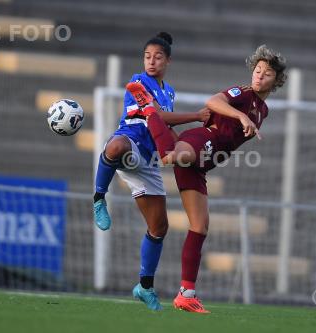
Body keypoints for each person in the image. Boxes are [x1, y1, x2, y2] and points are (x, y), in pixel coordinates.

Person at [126, 45, 287, 313]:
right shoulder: (243, 93)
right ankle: (149, 110)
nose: (259, 76)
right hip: (204, 141)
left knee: (199, 226)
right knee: (170, 156)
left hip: (204, 165)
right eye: (257, 70)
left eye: (267, 73)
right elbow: (213, 102)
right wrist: (240, 115)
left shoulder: (263, 110)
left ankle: (186, 294)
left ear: (276, 81)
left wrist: (245, 120)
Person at [92, 32, 210, 310]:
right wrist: (197, 115)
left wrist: (187, 146)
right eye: (147, 56)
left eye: (157, 57)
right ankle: (99, 198)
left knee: (159, 227)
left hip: (147, 162)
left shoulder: (169, 91)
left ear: (168, 60)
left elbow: (165, 128)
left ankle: (144, 287)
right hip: (130, 146)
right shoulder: (137, 82)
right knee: (116, 145)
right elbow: (154, 116)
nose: (151, 61)